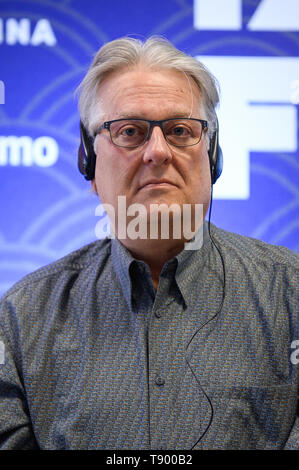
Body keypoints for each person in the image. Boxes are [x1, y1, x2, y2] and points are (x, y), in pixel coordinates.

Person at [0, 36, 298, 450]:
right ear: (88, 159)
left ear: (213, 156)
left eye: (180, 130)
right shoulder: (20, 319)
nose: (158, 152)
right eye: (129, 132)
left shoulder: (292, 294)